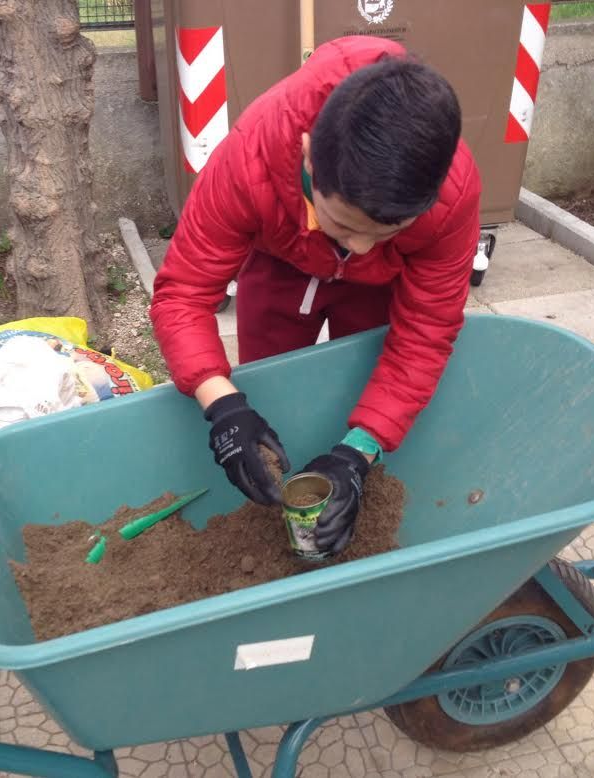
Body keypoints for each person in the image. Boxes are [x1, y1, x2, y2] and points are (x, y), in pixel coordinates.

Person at [150, 36, 482, 554]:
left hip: (381, 288)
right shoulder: (251, 156)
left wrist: (358, 453)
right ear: (308, 156)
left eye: (388, 230)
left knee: (366, 392)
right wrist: (225, 411)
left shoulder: (452, 193)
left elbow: (425, 334)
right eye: (347, 226)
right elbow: (183, 294)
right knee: (271, 389)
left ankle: (345, 474)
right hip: (282, 261)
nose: (364, 246)